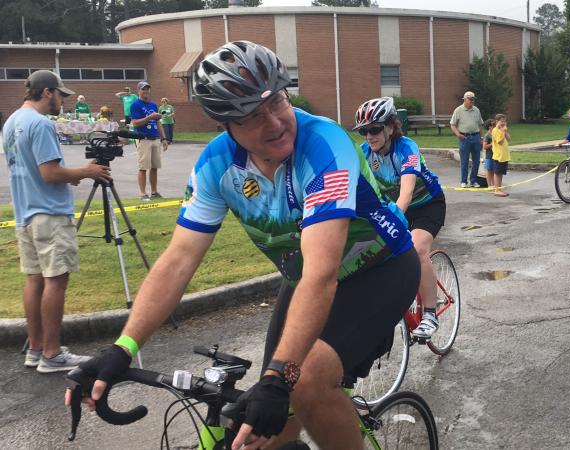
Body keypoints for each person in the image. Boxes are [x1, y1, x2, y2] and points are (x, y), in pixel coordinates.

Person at [64, 41, 419, 450]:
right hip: (303, 279)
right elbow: (178, 260)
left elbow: (322, 273)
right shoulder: (217, 165)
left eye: (277, 102)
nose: (275, 123)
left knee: (301, 381)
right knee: (255, 425)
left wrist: (279, 377)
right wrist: (123, 348)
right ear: (225, 124)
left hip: (380, 270)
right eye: (252, 116)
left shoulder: (324, 144)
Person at [2, 70, 111, 373]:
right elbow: (49, 173)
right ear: (47, 92)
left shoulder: (12, 122)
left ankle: (36, 349)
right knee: (55, 280)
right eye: (61, 95)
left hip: (25, 212)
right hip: (49, 213)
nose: (63, 101)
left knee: (34, 279)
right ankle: (52, 354)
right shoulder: (40, 123)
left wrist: (71, 175)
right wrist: (87, 171)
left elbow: (35, 171)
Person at [353, 96, 445, 339]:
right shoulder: (364, 153)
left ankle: (430, 314)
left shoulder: (406, 148)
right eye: (364, 131)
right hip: (393, 208)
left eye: (374, 129)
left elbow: (406, 191)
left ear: (390, 127)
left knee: (417, 249)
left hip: (426, 205)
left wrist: (393, 218)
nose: (369, 136)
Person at [129, 81, 168, 201]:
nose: (146, 91)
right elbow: (135, 123)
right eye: (143, 89)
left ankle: (154, 192)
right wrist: (150, 117)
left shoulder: (153, 105)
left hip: (155, 138)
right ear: (138, 91)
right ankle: (142, 193)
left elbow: (158, 123)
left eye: (147, 89)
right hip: (143, 139)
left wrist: (164, 138)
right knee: (143, 167)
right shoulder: (135, 105)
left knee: (154, 167)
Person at [450, 91, 484, 188]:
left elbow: (480, 125)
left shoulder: (476, 110)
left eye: (473, 99)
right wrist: (458, 134)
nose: (472, 101)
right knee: (464, 160)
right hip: (464, 137)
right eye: (470, 99)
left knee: (476, 160)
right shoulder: (458, 110)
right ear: (465, 99)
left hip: (476, 137)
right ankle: (463, 181)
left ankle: (473, 180)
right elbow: (452, 124)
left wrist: (481, 138)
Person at [491, 114, 511, 197]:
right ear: (497, 121)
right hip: (498, 156)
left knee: (501, 173)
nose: (503, 123)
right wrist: (503, 132)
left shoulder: (502, 130)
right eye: (502, 121)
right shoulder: (495, 130)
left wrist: (505, 132)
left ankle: (500, 188)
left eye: (505, 121)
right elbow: (500, 142)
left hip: (504, 155)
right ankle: (497, 190)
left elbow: (509, 139)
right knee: (497, 173)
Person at [483, 119, 496, 189]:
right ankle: (489, 185)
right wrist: (492, 144)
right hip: (489, 155)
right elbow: (484, 146)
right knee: (489, 170)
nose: (495, 126)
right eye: (493, 125)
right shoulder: (487, 135)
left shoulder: (495, 133)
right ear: (489, 127)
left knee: (494, 170)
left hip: (496, 154)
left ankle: (494, 184)